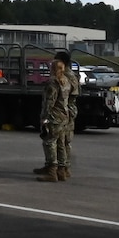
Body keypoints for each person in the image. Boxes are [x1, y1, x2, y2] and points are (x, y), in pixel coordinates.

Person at [35, 49, 78, 181]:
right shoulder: (66, 79)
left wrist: (44, 118)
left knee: (50, 142)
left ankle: (54, 170)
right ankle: (61, 169)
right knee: (61, 143)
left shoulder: (54, 82)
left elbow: (49, 102)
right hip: (65, 114)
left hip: (56, 115)